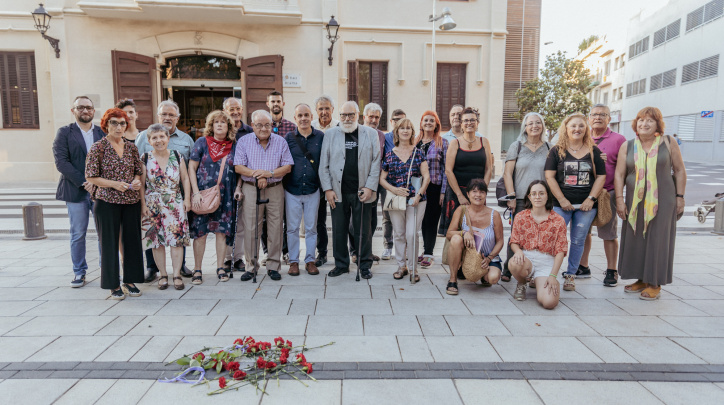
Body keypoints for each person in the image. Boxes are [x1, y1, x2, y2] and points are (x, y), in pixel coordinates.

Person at [615, 107, 687, 300]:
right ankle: (641, 279)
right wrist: (620, 200)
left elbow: (679, 170)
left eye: (649, 120)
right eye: (641, 120)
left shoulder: (668, 142)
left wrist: (680, 197)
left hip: (663, 199)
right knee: (636, 237)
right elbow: (620, 174)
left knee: (657, 238)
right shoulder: (628, 145)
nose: (644, 124)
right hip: (634, 200)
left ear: (657, 124)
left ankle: (655, 283)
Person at [85, 108, 144, 300]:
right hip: (106, 201)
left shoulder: (131, 147)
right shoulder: (98, 147)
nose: (119, 127)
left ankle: (130, 281)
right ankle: (113, 284)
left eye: (122, 123)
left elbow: (138, 171)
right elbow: (91, 176)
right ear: (106, 125)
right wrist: (114, 184)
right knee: (109, 243)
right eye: (114, 123)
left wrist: (136, 181)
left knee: (132, 242)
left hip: (130, 201)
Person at [544, 112, 606, 292]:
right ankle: (548, 273)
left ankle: (570, 274)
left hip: (586, 206)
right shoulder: (556, 151)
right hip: (560, 204)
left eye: (581, 125)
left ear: (586, 128)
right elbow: (549, 177)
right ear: (566, 129)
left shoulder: (594, 151)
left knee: (578, 240)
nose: (577, 129)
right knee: (554, 238)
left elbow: (601, 177)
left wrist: (590, 199)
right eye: (573, 126)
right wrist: (562, 200)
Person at [319, 101, 381, 279]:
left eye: (351, 115)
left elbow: (376, 162)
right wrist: (328, 189)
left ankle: (364, 265)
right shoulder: (330, 134)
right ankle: (341, 264)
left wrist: (370, 187)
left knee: (364, 230)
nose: (347, 119)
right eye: (344, 115)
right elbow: (324, 164)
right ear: (339, 116)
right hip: (338, 191)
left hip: (362, 191)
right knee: (339, 229)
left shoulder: (370, 134)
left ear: (358, 115)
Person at [136, 100, 195, 281]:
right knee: (155, 240)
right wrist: (142, 204)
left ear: (177, 118)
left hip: (176, 201)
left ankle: (178, 270)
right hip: (153, 203)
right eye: (164, 114)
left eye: (171, 115)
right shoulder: (143, 146)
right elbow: (138, 175)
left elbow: (189, 173)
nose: (167, 117)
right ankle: (156, 271)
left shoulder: (185, 141)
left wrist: (188, 198)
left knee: (177, 238)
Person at [234, 110, 294, 281]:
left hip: (275, 187)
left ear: (272, 126)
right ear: (252, 125)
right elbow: (238, 166)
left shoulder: (280, 142)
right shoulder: (244, 141)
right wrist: (258, 175)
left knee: (276, 226)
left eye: (267, 125)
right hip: (251, 188)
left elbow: (288, 166)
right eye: (259, 125)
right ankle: (251, 266)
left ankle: (273, 265)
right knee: (252, 227)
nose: (263, 128)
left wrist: (268, 174)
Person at [53, 96, 105, 288]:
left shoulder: (102, 132)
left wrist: (98, 183)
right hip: (76, 191)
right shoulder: (65, 133)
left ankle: (106, 269)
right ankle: (79, 272)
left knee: (104, 233)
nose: (85, 110)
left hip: (100, 192)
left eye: (89, 107)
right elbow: (61, 162)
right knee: (78, 233)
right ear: (73, 110)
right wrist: (85, 182)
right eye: (81, 107)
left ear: (93, 111)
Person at [188, 110, 242, 284]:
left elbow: (240, 169)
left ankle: (220, 267)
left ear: (228, 126)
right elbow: (191, 168)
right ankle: (197, 269)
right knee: (200, 233)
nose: (219, 125)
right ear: (211, 126)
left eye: (223, 122)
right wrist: (195, 192)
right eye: (216, 122)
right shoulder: (202, 142)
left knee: (221, 232)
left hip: (226, 194)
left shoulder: (234, 145)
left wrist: (239, 188)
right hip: (202, 194)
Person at [577, 104, 626, 286]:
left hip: (608, 193)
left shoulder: (619, 140)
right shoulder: (581, 136)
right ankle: (583, 266)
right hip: (584, 193)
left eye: (602, 115)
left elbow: (625, 168)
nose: (597, 117)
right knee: (583, 231)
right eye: (594, 115)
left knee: (609, 233)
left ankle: (612, 270)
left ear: (609, 119)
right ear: (588, 118)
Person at [501, 112, 550, 282]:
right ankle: (508, 268)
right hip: (521, 198)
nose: (534, 126)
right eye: (530, 124)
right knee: (517, 234)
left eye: (538, 123)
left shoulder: (550, 148)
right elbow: (507, 173)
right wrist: (511, 196)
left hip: (542, 200)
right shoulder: (517, 146)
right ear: (525, 127)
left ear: (542, 126)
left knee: (539, 235)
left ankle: (534, 269)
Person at [380, 118, 430, 280]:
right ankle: (402, 266)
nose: (405, 131)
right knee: (399, 234)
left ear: (412, 132)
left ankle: (413, 268)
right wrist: (394, 189)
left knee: (411, 234)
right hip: (396, 199)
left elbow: (427, 177)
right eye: (402, 128)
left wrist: (419, 194)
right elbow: (381, 179)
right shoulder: (389, 154)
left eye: (409, 128)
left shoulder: (418, 152)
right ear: (397, 132)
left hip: (416, 200)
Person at [508, 180, 568, 309]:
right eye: (534, 194)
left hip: (546, 261)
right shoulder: (520, 217)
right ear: (529, 197)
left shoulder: (558, 220)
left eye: (541, 193)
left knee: (549, 303)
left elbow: (561, 250)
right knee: (514, 262)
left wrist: (553, 275)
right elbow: (514, 241)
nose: (537, 197)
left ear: (547, 196)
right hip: (526, 258)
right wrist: (518, 251)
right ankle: (522, 282)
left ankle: (539, 281)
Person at [444, 179, 504, 295]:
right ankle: (453, 279)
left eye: (482, 192)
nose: (478, 195)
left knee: (493, 279)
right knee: (456, 239)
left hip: (487, 257)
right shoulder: (461, 210)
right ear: (468, 194)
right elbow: (449, 234)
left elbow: (500, 241)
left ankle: (481, 274)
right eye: (474, 191)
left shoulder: (494, 215)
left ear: (486, 194)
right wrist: (464, 233)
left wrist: (489, 258)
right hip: (467, 256)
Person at [284, 104, 324, 276]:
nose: (303, 118)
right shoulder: (289, 137)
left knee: (311, 228)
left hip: (313, 189)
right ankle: (293, 261)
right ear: (295, 118)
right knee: (292, 228)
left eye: (306, 115)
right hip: (292, 189)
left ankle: (310, 260)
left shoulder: (321, 136)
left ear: (311, 116)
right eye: (300, 115)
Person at [440, 107, 492, 235]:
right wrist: (460, 195)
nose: (469, 123)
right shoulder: (454, 143)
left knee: (477, 229)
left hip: (477, 193)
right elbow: (448, 170)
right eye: (466, 120)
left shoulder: (484, 142)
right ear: (461, 124)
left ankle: (475, 255)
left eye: (472, 120)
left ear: (477, 123)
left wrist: (481, 190)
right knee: (455, 232)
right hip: (457, 193)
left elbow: (489, 168)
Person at [349, 103, 386, 264]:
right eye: (371, 116)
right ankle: (355, 251)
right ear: (364, 117)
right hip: (355, 183)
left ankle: (367, 251)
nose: (374, 119)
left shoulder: (381, 135)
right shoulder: (355, 132)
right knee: (353, 221)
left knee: (371, 220)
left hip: (373, 183)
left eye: (377, 117)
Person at [263, 91, 295, 264]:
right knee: (265, 219)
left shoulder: (291, 127)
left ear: (283, 104)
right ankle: (268, 251)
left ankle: (286, 252)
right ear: (268, 103)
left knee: (284, 218)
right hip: (264, 181)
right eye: (273, 101)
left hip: (285, 180)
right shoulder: (261, 126)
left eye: (278, 101)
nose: (276, 104)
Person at [223, 97, 253, 274]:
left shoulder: (249, 131)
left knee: (241, 223)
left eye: (237, 109)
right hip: (224, 184)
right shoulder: (220, 130)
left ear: (242, 110)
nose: (235, 112)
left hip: (243, 181)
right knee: (226, 223)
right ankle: (226, 258)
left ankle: (238, 257)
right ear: (225, 111)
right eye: (231, 109)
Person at [416, 111, 448, 268]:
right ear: (421, 123)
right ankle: (423, 250)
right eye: (425, 120)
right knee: (420, 220)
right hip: (416, 187)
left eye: (431, 120)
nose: (428, 122)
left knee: (431, 220)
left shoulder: (442, 142)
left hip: (434, 186)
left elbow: (446, 169)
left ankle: (428, 253)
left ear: (436, 124)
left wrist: (443, 191)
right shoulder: (415, 141)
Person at [311, 95, 339, 268]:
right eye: (320, 108)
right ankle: (322, 253)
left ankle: (349, 252)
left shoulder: (339, 126)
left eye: (327, 108)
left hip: (337, 179)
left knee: (341, 218)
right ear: (316, 111)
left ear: (332, 110)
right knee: (319, 219)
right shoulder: (311, 127)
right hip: (318, 180)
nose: (324, 112)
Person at [380, 109, 406, 260]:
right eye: (395, 119)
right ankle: (387, 246)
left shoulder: (410, 137)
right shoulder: (385, 137)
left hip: (404, 183)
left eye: (402, 119)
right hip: (388, 183)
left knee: (404, 216)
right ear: (391, 121)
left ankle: (402, 248)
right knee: (387, 216)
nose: (398, 122)